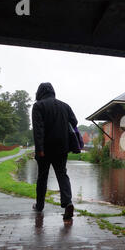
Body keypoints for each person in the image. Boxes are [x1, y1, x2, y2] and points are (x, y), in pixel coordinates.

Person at [31, 83, 77, 220]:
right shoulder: (65, 106)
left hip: (44, 149)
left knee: (42, 177)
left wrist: (39, 149)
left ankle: (39, 205)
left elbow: (38, 129)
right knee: (62, 174)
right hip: (62, 147)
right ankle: (67, 203)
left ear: (40, 92)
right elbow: (74, 122)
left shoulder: (38, 106)